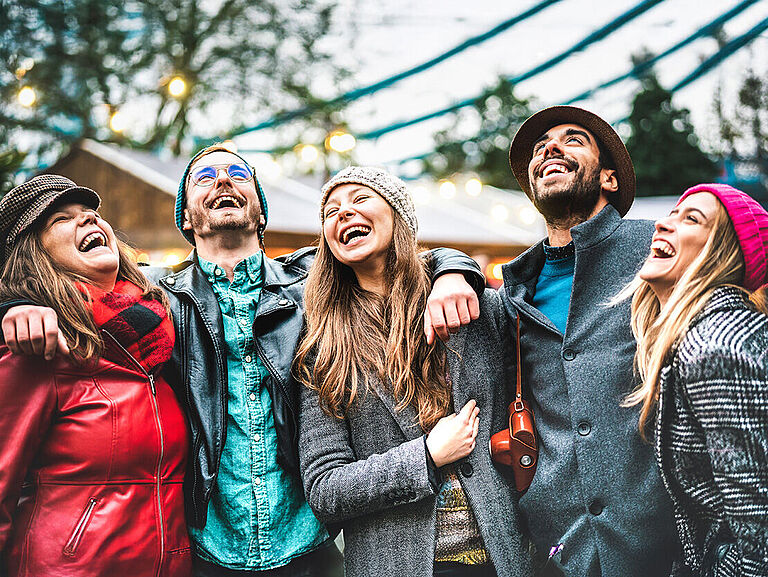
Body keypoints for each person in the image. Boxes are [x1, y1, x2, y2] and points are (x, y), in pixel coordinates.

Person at [0, 145, 484, 577]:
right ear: (187, 218)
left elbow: (404, 254)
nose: (224, 180)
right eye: (205, 178)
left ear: (259, 212)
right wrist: (12, 307)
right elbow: (80, 300)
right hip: (208, 551)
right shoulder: (157, 304)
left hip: (309, 544)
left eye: (238, 173)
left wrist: (455, 272)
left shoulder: (314, 286)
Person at [294, 166, 532, 577]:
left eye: (360, 199)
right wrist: (425, 456)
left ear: (398, 216)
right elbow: (324, 489)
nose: (343, 214)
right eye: (331, 211)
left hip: (503, 557)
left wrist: (456, 268)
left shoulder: (473, 306)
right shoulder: (323, 347)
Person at [502, 106, 678, 576]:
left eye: (573, 139)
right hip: (560, 550)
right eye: (541, 148)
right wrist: (448, 268)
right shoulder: (514, 291)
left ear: (609, 179)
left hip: (668, 547)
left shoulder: (658, 251)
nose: (549, 148)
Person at [0, 175, 191, 576]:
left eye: (91, 214)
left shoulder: (159, 336)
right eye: (62, 220)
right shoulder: (35, 344)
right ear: (33, 254)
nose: (89, 221)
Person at [620, 183, 768, 577]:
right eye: (671, 213)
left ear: (721, 254)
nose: (663, 224)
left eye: (691, 218)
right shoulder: (701, 335)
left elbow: (759, 528)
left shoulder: (716, 348)